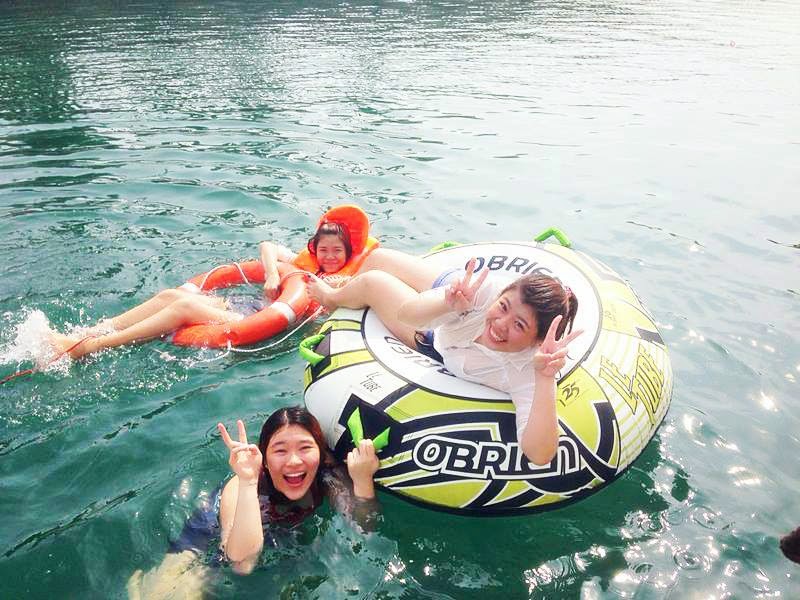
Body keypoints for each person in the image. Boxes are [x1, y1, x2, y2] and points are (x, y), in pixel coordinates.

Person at [307, 258, 583, 466]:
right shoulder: (484, 291)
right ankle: (344, 290)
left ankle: (330, 298)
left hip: (436, 341)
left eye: (519, 325)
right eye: (503, 306)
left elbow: (540, 455)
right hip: (454, 304)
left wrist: (545, 379)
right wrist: (448, 304)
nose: (501, 324)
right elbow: (409, 313)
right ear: (500, 295)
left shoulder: (527, 368)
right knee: (378, 258)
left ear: (537, 341)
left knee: (373, 283)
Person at [127, 406, 380, 598]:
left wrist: (362, 480)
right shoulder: (240, 485)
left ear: (321, 452)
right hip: (211, 531)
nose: (294, 461)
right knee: (168, 592)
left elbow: (363, 527)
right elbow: (241, 563)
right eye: (280, 450)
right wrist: (248, 480)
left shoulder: (327, 477)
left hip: (278, 533)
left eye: (305, 448)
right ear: (265, 459)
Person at [48, 208, 366, 359]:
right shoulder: (301, 264)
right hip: (248, 307)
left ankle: (90, 348)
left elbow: (349, 297)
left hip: (257, 323)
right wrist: (272, 274)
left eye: (337, 251)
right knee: (170, 295)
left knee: (184, 306)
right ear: (314, 249)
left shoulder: (341, 280)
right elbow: (267, 246)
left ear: (348, 252)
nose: (330, 256)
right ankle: (89, 332)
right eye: (324, 250)